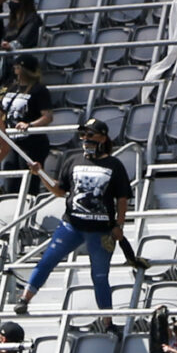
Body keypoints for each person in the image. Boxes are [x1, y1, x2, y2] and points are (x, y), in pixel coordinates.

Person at [18, 118, 130, 323]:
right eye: (83, 135)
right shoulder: (72, 160)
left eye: (90, 135)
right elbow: (60, 191)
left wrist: (119, 225)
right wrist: (40, 174)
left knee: (99, 276)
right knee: (47, 261)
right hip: (71, 225)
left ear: (102, 137)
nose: (85, 139)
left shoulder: (114, 165)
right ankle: (25, 299)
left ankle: (107, 320)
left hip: (101, 230)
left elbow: (122, 198)